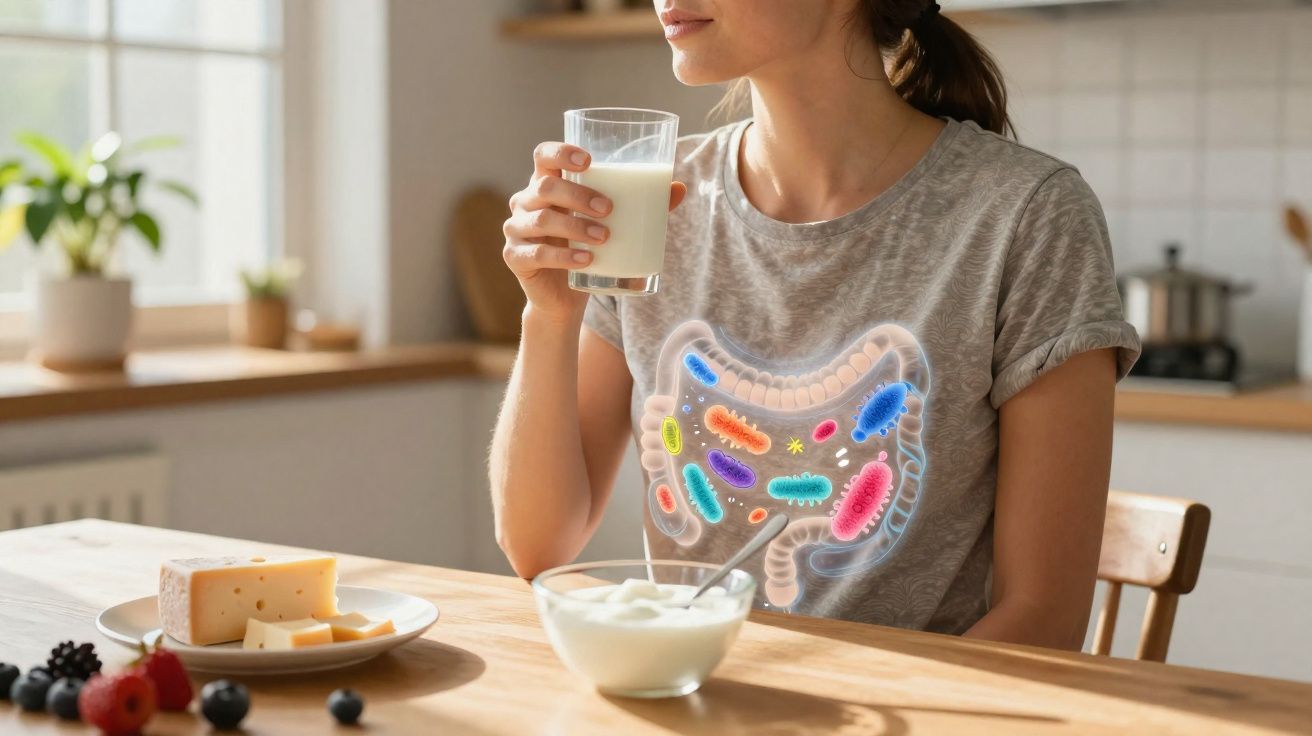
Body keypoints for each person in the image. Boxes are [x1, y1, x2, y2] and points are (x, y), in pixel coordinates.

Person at [490, 0, 1140, 650]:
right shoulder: (653, 203)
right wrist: (548, 312)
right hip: (692, 697)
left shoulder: (1027, 215)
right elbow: (538, 546)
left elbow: (1045, 619)